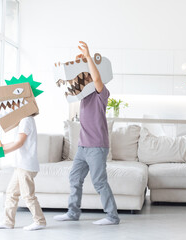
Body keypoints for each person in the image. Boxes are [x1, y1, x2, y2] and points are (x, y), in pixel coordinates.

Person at [54, 41, 120, 225]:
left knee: (99, 182)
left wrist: (88, 56)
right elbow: (73, 77)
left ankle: (112, 217)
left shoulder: (101, 93)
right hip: (83, 146)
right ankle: (73, 212)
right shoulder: (82, 96)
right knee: (75, 178)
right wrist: (78, 60)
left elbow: (96, 79)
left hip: (97, 146)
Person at [0, 116, 47, 231]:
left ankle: (40, 221)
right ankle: (8, 222)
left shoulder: (26, 120)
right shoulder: (23, 120)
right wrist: (0, 146)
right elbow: (16, 142)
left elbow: (19, 143)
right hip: (21, 165)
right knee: (11, 192)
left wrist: (1, 152)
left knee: (28, 195)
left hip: (26, 166)